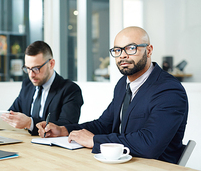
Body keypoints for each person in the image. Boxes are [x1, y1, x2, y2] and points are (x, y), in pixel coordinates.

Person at [36, 26, 188, 164]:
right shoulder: (123, 84)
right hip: (123, 164)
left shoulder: (169, 90)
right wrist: (63, 130)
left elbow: (149, 144)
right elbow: (103, 125)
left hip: (155, 167)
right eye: (117, 50)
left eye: (131, 48)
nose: (122, 55)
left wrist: (95, 141)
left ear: (149, 50)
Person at [1, 41, 84, 135]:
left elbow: (66, 126)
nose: (31, 75)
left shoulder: (70, 90)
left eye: (36, 68)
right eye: (28, 68)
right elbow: (12, 113)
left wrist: (30, 123)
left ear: (51, 64)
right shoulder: (27, 85)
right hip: (26, 142)